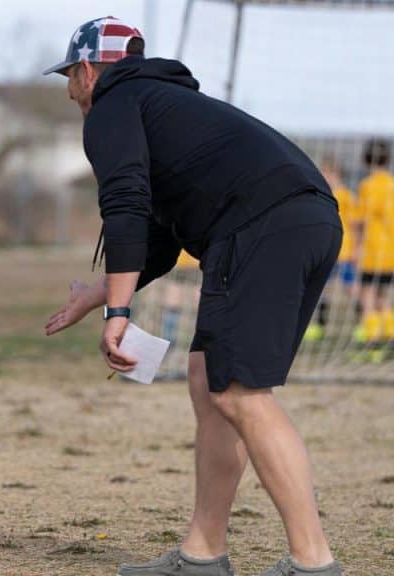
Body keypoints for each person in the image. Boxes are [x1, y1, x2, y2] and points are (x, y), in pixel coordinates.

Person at [42, 16, 342, 576]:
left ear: (86, 71)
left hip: (260, 228)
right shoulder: (168, 108)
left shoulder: (112, 106)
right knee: (211, 381)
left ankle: (313, 563)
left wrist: (119, 313)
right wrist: (98, 293)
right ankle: (202, 556)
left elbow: (125, 206)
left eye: (68, 76)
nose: (68, 90)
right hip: (303, 219)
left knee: (240, 394)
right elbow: (158, 238)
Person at [305, 158, 360, 343]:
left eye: (328, 173)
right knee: (322, 289)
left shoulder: (347, 196)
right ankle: (318, 325)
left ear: (337, 174)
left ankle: (362, 323)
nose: (325, 176)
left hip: (344, 251)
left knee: (351, 288)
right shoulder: (321, 194)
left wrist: (357, 249)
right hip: (327, 251)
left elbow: (354, 225)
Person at [352, 139, 394, 352]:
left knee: (366, 295)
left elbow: (362, 220)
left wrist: (357, 247)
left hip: (373, 251)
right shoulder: (392, 183)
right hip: (390, 253)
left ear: (366, 160)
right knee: (382, 296)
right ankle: (389, 334)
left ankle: (373, 341)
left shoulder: (367, 185)